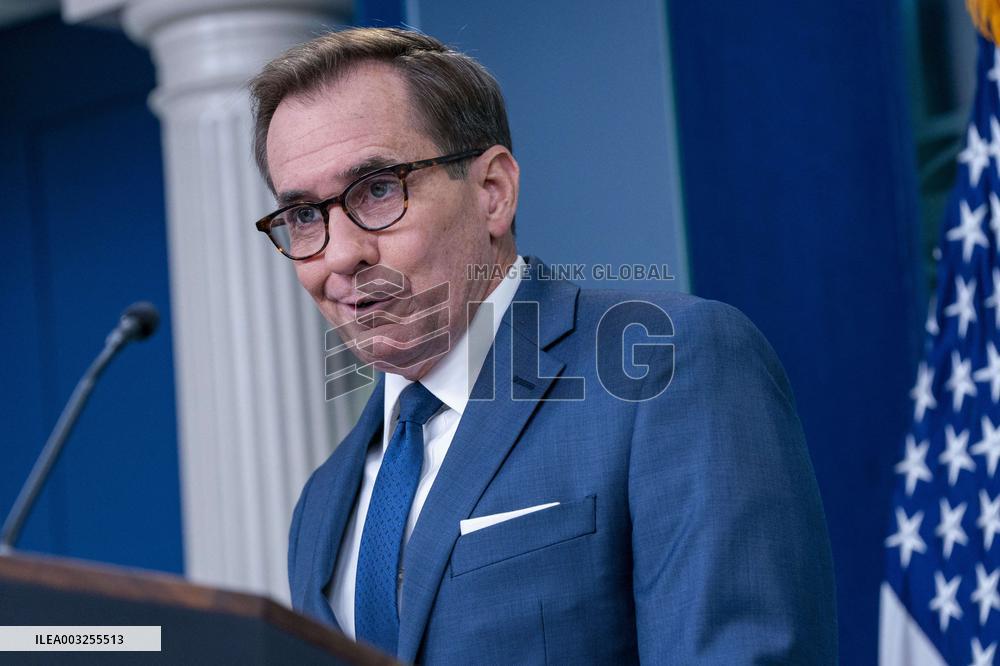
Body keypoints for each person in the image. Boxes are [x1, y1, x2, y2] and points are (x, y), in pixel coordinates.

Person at [249, 27, 837, 664]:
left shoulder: (666, 364)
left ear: (492, 192)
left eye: (379, 189)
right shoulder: (321, 503)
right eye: (305, 215)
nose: (339, 255)